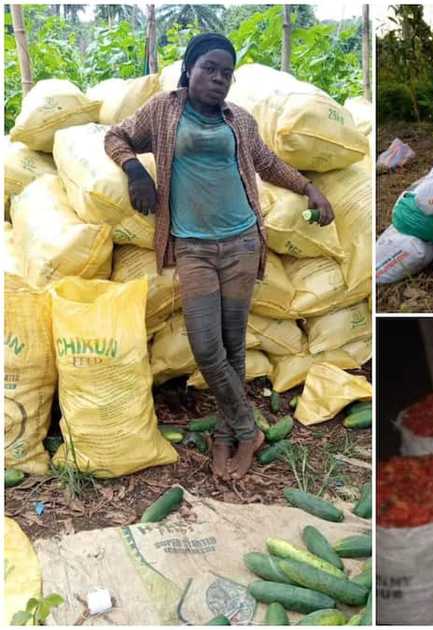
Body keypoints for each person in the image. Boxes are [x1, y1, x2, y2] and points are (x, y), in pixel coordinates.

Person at [105, 33, 335, 481]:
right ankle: (249, 427)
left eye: (226, 73)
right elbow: (117, 135)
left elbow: (266, 163)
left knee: (232, 345)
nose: (218, 79)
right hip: (192, 247)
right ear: (189, 68)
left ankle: (228, 432)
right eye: (209, 68)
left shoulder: (241, 122)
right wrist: (135, 171)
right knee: (206, 346)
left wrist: (309, 187)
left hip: (242, 243)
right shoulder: (164, 110)